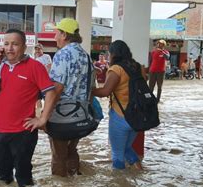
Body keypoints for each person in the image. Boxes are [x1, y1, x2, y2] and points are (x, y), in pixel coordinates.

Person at [0, 29, 57, 187]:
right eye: (6, 44)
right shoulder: (0, 66)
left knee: (23, 178)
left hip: (24, 133)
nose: (10, 48)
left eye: (15, 44)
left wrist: (42, 119)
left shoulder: (35, 67)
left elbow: (51, 93)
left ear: (24, 46)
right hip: (0, 131)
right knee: (3, 177)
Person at [49, 18, 93, 177]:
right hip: (80, 114)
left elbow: (57, 88)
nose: (55, 37)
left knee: (58, 155)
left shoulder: (62, 55)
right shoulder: (86, 56)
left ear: (64, 35)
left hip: (61, 115)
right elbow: (91, 88)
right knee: (71, 150)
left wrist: (44, 115)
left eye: (57, 33)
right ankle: (74, 181)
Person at [92, 40, 142, 170]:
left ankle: (119, 186)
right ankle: (141, 173)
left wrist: (87, 91)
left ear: (113, 54)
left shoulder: (116, 69)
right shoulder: (137, 66)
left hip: (121, 115)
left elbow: (105, 91)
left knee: (117, 154)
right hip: (138, 116)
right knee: (126, 148)